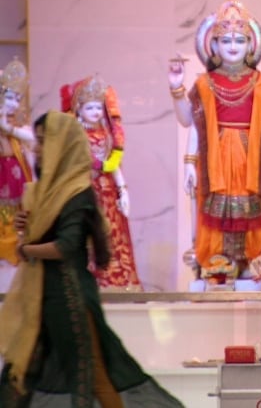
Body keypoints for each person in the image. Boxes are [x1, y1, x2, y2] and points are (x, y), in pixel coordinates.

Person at [0, 111, 183, 407]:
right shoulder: (46, 191)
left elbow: (65, 246)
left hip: (70, 299)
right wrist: (27, 225)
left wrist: (26, 250)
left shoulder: (78, 192)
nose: (37, 149)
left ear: (63, 145)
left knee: (90, 373)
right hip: (41, 298)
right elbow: (43, 233)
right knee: (22, 372)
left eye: (45, 142)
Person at [167, 0, 261, 282]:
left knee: (246, 215)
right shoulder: (205, 83)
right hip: (214, 160)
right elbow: (189, 121)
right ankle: (214, 265)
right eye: (225, 39)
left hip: (248, 160)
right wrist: (176, 87)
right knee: (214, 215)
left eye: (239, 40)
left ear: (250, 45)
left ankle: (242, 265)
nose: (232, 45)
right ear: (213, 45)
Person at [60, 75, 142, 291]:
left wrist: (123, 190)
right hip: (83, 192)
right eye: (90, 108)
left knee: (111, 235)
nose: (96, 112)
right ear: (79, 109)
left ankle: (113, 281)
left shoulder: (107, 134)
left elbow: (113, 164)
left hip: (107, 194)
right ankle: (85, 281)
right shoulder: (73, 134)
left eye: (98, 107)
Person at [0, 58, 35, 292]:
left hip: (18, 206)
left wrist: (7, 127)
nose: (13, 104)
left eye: (16, 99)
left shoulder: (19, 129)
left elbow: (34, 141)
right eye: (8, 97)